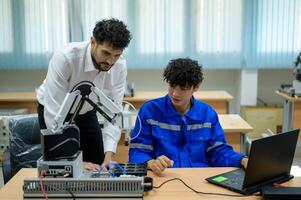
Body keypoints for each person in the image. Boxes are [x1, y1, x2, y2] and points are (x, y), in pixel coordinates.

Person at [37, 18, 132, 170]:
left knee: (97, 162)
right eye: (106, 53)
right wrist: (76, 164)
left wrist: (109, 156)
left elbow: (113, 114)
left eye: (116, 55)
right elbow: (53, 114)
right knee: (64, 167)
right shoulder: (66, 58)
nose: (110, 61)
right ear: (93, 42)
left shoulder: (119, 67)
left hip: (86, 110)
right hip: (55, 110)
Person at [128, 58, 248, 175]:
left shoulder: (207, 114)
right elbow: (138, 151)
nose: (175, 93)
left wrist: (242, 160)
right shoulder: (150, 111)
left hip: (200, 179)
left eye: (183, 88)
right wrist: (151, 163)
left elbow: (219, 152)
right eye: (172, 85)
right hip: (164, 178)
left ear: (196, 87)